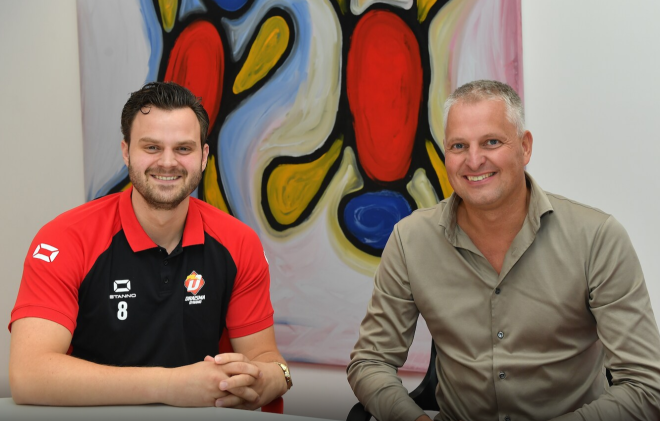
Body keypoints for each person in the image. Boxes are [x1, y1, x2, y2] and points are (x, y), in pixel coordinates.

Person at [347, 80, 660, 420]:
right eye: (458, 146)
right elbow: (370, 361)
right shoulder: (411, 240)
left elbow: (645, 386)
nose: (474, 160)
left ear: (525, 148)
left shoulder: (597, 238)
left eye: (491, 142)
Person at [9, 81, 292, 409]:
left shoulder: (238, 242)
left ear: (203, 157)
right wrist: (170, 385)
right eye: (152, 147)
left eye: (183, 149)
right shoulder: (66, 239)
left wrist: (270, 377)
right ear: (126, 151)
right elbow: (29, 374)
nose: (168, 162)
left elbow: (264, 357)